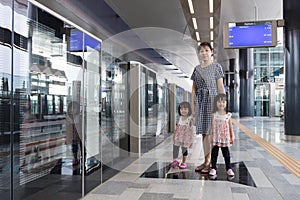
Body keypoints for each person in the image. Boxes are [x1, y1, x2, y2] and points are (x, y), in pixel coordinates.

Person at [191, 41, 225, 173]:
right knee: (204, 133)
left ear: (211, 52)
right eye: (201, 51)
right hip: (201, 102)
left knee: (211, 133)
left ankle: (211, 162)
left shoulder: (217, 67)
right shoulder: (197, 69)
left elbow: (220, 87)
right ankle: (206, 161)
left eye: (206, 50)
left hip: (213, 102)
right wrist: (193, 106)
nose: (204, 53)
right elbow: (194, 88)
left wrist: (222, 106)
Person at [208, 93, 235, 177]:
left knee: (226, 153)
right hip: (216, 137)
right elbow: (211, 126)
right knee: (214, 152)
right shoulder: (214, 114)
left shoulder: (228, 115)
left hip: (225, 137)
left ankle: (229, 168)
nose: (221, 104)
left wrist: (232, 135)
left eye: (223, 102)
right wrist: (210, 135)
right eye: (219, 102)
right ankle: (213, 168)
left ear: (226, 103)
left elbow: (230, 126)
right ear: (216, 103)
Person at [171, 101, 194, 169]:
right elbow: (177, 127)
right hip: (178, 136)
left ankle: (184, 162)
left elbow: (192, 130)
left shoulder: (190, 119)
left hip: (185, 137)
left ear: (189, 110)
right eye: (181, 109)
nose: (183, 111)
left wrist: (191, 141)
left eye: (185, 109)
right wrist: (174, 135)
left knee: (184, 149)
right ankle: (175, 160)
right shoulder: (180, 118)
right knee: (175, 148)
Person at [65, 101, 83, 165]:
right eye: (70, 108)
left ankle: (83, 157)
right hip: (73, 135)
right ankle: (75, 159)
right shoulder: (68, 117)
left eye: (74, 108)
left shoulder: (80, 117)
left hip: (80, 135)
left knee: (82, 147)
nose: (72, 110)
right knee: (74, 147)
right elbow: (68, 129)